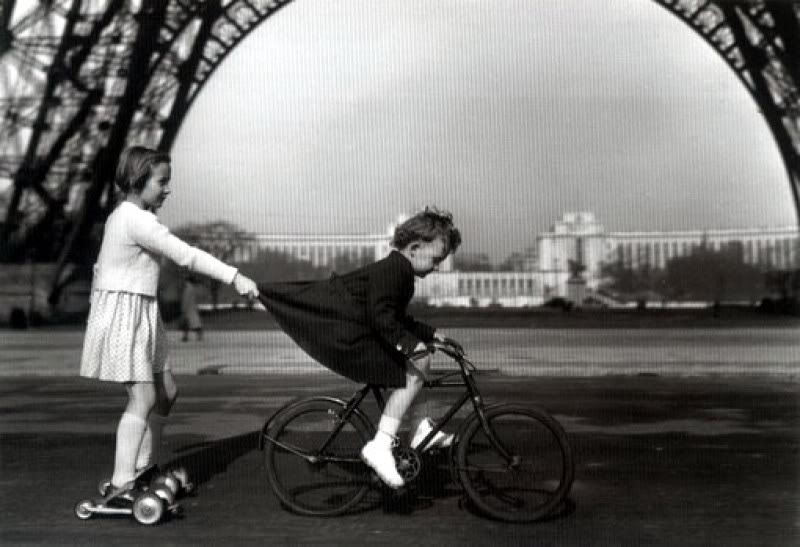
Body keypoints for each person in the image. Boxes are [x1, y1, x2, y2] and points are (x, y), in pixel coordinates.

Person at [79, 146, 259, 502]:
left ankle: (144, 468)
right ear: (138, 179)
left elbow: (101, 267)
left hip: (140, 310)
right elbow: (186, 255)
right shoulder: (135, 219)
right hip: (125, 313)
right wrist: (235, 276)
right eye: (162, 181)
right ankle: (121, 482)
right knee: (143, 396)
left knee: (167, 392)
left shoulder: (124, 216)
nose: (167, 189)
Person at [259, 207, 462, 488]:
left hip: (356, 331)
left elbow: (396, 318)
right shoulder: (394, 271)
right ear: (415, 248)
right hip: (349, 336)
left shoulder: (400, 271)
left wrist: (431, 334)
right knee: (419, 362)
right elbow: (382, 317)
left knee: (416, 362)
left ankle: (417, 427)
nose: (438, 266)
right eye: (437, 259)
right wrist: (412, 345)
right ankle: (381, 445)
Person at [180, 275, 203, 342]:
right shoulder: (192, 288)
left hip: (188, 308)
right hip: (192, 307)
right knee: (193, 323)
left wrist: (183, 308)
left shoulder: (188, 288)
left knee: (188, 323)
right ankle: (187, 336)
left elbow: (185, 299)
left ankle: (186, 336)